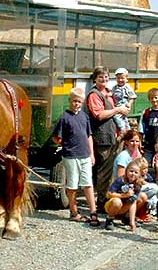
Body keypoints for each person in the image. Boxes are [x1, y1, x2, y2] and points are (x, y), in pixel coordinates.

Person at [53, 87, 100, 226]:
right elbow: (56, 137)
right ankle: (73, 211)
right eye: (74, 101)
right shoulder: (64, 117)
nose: (77, 104)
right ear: (69, 101)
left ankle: (93, 212)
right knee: (72, 184)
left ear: (82, 102)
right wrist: (66, 145)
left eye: (79, 102)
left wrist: (91, 154)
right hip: (71, 156)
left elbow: (89, 136)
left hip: (85, 155)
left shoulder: (84, 116)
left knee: (88, 183)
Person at [87, 66, 130, 211]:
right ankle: (101, 202)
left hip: (112, 136)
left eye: (106, 77)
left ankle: (108, 199)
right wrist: (118, 110)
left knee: (111, 169)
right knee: (104, 171)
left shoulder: (108, 93)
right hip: (103, 138)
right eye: (101, 77)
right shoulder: (94, 94)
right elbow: (99, 115)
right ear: (95, 79)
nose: (104, 80)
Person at [104, 160, 147, 231]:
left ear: (139, 174)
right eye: (131, 171)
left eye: (136, 172)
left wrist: (132, 222)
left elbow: (133, 203)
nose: (133, 174)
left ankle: (126, 217)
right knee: (117, 201)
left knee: (140, 197)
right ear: (126, 171)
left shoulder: (137, 184)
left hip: (124, 206)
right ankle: (109, 219)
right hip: (111, 205)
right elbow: (109, 194)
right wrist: (124, 195)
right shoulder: (120, 180)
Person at [111, 67, 137, 133]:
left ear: (126, 79)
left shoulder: (127, 87)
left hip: (124, 105)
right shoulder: (115, 87)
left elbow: (132, 96)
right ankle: (128, 131)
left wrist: (129, 104)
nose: (120, 80)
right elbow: (112, 94)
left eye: (122, 78)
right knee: (124, 119)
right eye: (118, 78)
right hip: (117, 105)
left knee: (117, 117)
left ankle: (123, 130)